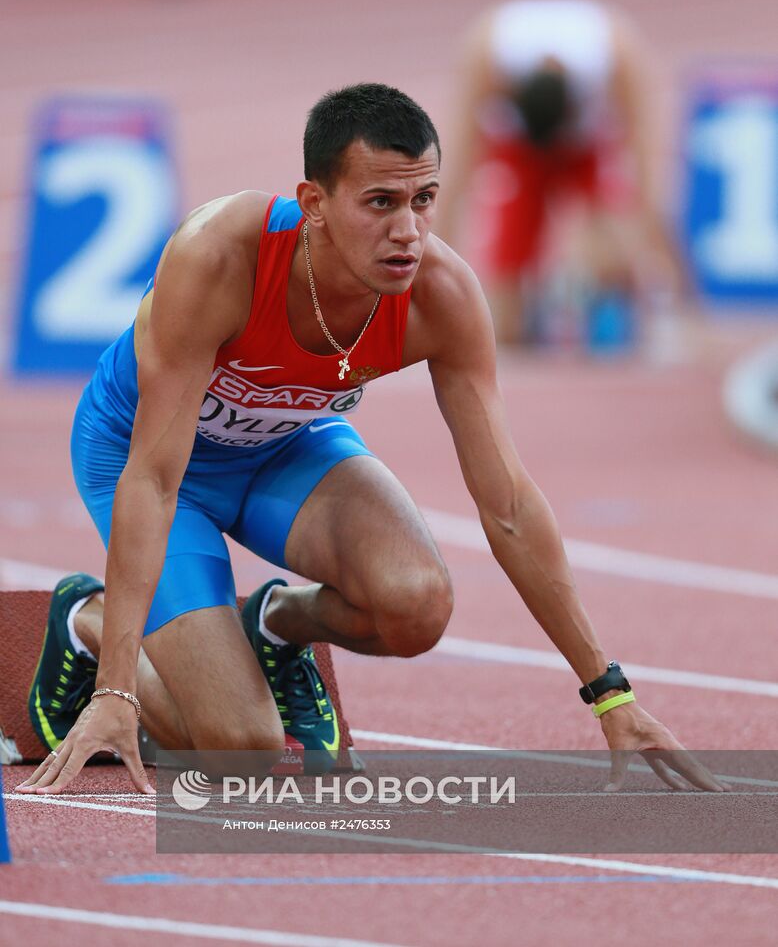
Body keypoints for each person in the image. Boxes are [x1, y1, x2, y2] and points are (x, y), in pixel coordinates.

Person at [18, 83, 721, 798]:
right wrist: (116, 691)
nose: (408, 232)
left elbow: (507, 504)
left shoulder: (441, 295)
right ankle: (89, 622)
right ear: (315, 203)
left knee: (418, 605)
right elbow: (154, 479)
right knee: (243, 750)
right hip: (149, 457)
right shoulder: (221, 256)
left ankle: (275, 623)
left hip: (286, 444)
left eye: (424, 200)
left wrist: (610, 694)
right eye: (381, 202)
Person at [435, 0, 687, 345]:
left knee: (610, 243)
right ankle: (528, 303)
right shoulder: (487, 56)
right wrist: (433, 275)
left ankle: (602, 285)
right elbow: (456, 176)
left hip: (586, 148)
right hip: (520, 151)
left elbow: (647, 181)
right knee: (504, 324)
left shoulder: (615, 54)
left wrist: (670, 271)